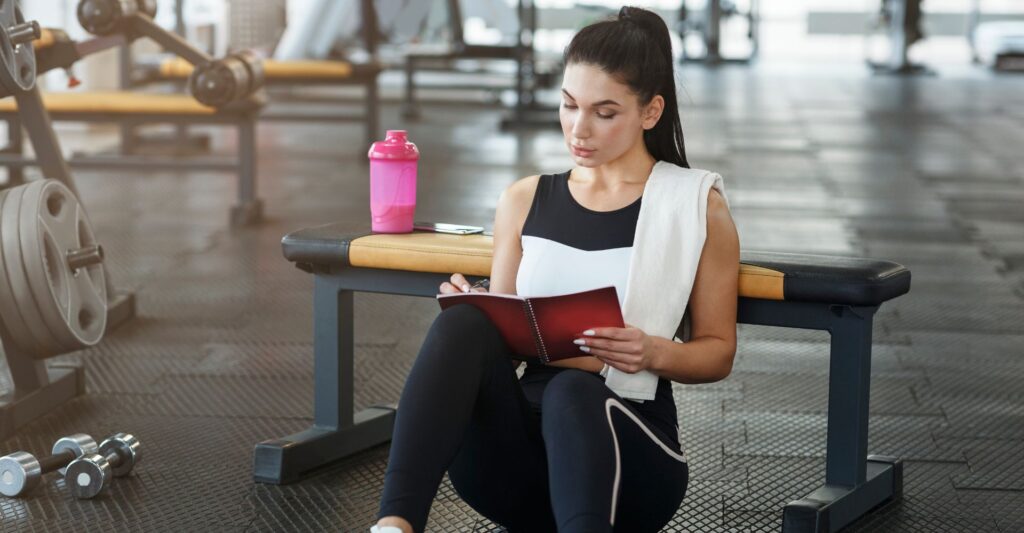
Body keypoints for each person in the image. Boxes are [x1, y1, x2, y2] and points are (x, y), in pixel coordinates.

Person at [372, 6, 739, 533]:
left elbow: (719, 351)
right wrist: (478, 305)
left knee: (572, 391)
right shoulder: (524, 199)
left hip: (629, 456)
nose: (578, 129)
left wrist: (653, 350)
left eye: (604, 112)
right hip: (519, 460)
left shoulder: (697, 207)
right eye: (568, 105)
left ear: (650, 112)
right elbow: (502, 334)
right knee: (460, 324)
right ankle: (395, 524)